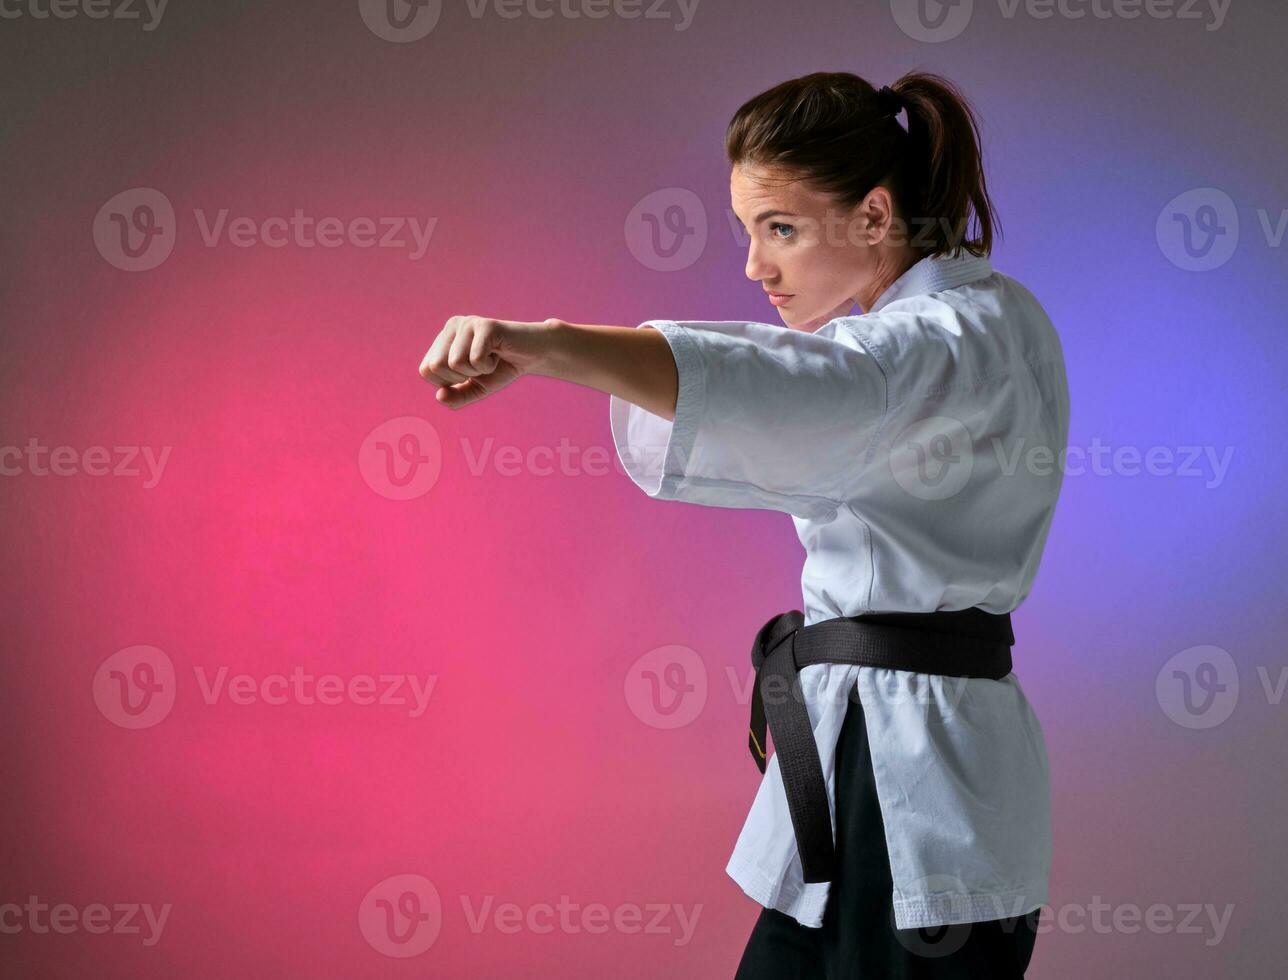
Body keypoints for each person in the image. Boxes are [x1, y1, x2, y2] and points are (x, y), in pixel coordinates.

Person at [417, 69, 1069, 979]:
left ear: (875, 216)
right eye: (750, 232)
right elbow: (819, 382)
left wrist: (552, 344)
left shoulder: (940, 344)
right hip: (880, 751)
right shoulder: (992, 317)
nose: (757, 265)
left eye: (781, 229)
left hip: (909, 777)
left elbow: (795, 384)